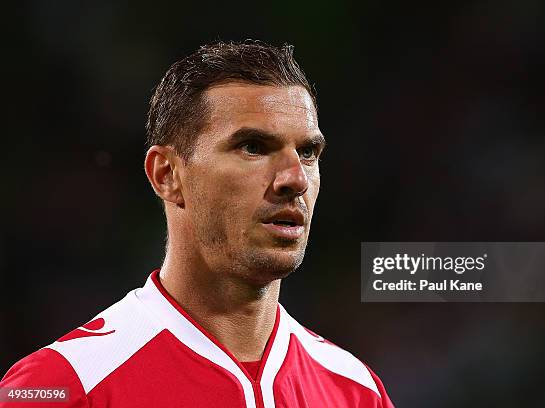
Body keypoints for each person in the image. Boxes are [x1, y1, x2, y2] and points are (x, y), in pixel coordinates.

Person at [0, 40, 394, 407]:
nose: (296, 178)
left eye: (308, 152)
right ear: (167, 174)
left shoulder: (355, 391)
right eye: (253, 147)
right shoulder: (65, 387)